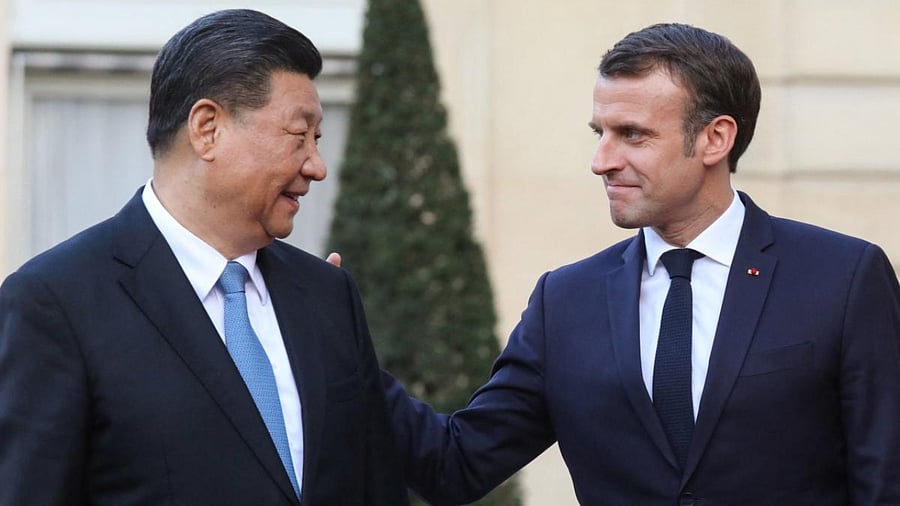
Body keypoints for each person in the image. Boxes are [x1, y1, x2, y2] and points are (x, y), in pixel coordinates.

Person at [379, 23, 900, 505]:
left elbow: (886, 481)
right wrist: (342, 334)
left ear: (715, 138)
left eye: (632, 134)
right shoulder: (566, 301)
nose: (601, 161)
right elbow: (453, 465)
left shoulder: (843, 278)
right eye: (599, 133)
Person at [0, 9, 408, 506]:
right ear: (207, 128)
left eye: (317, 140)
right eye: (299, 135)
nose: (317, 166)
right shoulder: (57, 303)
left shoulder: (327, 294)